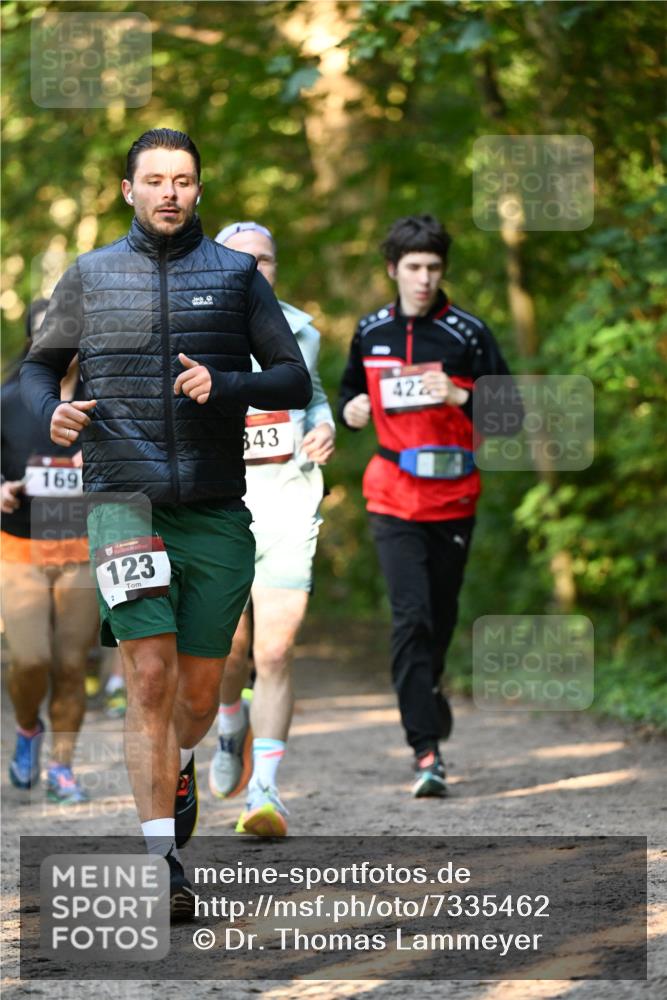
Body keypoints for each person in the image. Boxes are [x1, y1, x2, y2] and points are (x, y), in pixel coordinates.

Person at [20, 128, 311, 920]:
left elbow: (291, 378)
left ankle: (184, 765)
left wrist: (223, 384)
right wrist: (54, 412)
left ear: (199, 190)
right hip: (124, 504)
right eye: (154, 180)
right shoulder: (89, 276)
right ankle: (162, 857)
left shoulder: (236, 277)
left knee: (194, 697)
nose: (169, 193)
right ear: (128, 190)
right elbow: (37, 368)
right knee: (146, 676)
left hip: (215, 512)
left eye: (183, 180)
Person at [338, 214, 515, 798]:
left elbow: (510, 415)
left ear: (444, 272)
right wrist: (351, 411)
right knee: (410, 618)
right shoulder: (370, 331)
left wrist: (462, 392)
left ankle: (431, 692)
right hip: (391, 495)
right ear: (393, 269)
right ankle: (425, 752)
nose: (423, 279)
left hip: (454, 498)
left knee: (438, 620)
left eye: (434, 268)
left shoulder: (467, 334)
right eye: (413, 268)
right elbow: (348, 393)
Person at [208, 221, 335, 837]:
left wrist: (325, 425)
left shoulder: (302, 330)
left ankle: (265, 791)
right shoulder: (196, 327)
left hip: (288, 502)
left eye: (267, 260)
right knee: (230, 653)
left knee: (276, 650)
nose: (257, 269)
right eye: (244, 260)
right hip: (223, 508)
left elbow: (312, 398)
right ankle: (230, 718)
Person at [2, 300, 99, 804]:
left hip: (81, 543)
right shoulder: (9, 399)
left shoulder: (101, 399)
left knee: (69, 663)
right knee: (30, 659)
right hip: (20, 544)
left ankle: (62, 766)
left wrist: (100, 464)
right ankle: (26, 729)